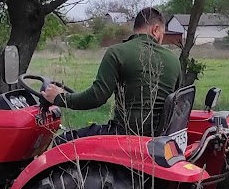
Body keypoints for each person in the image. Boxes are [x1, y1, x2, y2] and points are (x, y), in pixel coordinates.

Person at [44, 7, 180, 141]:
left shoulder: (117, 52)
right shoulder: (174, 60)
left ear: (155, 29)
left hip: (123, 135)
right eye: (163, 35)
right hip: (158, 140)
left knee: (62, 141)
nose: (161, 40)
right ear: (155, 29)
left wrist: (60, 98)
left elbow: (97, 97)